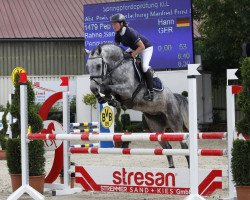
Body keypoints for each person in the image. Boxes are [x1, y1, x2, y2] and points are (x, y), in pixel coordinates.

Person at [111, 13, 154, 101]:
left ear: (121, 23)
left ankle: (151, 92)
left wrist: (133, 54)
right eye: (112, 24)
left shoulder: (130, 32)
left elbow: (142, 47)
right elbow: (116, 48)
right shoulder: (117, 34)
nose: (113, 26)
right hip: (134, 47)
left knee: (145, 67)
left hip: (146, 47)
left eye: (115, 24)